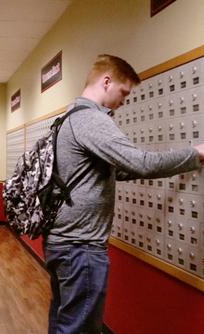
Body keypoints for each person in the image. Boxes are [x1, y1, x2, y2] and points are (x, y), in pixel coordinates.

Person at [44, 54, 204, 334]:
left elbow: (107, 173)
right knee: (78, 329)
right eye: (124, 92)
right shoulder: (90, 120)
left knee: (64, 321)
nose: (125, 101)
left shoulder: (69, 118)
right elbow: (141, 164)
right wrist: (195, 154)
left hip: (63, 243)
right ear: (107, 82)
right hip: (80, 248)